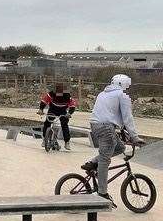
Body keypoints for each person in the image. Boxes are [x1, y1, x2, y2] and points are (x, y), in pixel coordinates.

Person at [81, 74, 144, 203]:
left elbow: (111, 113)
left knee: (120, 147)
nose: (127, 90)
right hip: (106, 128)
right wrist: (135, 137)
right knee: (105, 160)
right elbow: (127, 117)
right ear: (123, 85)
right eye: (127, 87)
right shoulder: (122, 95)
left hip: (95, 125)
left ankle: (92, 163)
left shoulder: (102, 94)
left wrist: (122, 130)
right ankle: (102, 193)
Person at [37, 83, 77, 150]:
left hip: (63, 111)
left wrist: (69, 113)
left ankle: (67, 142)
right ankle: (45, 140)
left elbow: (72, 106)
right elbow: (44, 101)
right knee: (47, 123)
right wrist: (41, 109)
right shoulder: (51, 94)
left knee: (64, 125)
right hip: (53, 110)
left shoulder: (67, 96)